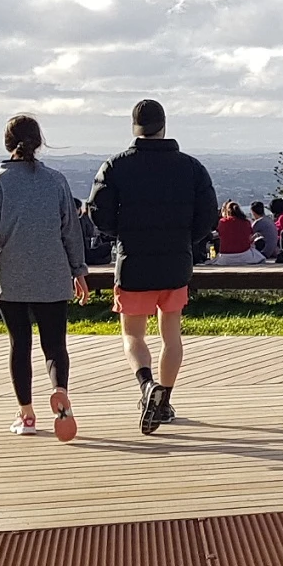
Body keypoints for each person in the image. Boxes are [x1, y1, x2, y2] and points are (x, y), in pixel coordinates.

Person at [88, 99, 219, 436]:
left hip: (133, 261)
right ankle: (165, 400)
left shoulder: (115, 166)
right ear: (164, 126)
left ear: (134, 127)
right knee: (171, 335)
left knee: (133, 334)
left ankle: (147, 386)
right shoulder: (191, 167)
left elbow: (99, 214)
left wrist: (120, 236)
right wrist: (186, 241)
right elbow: (207, 216)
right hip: (176, 263)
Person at [0, 115, 89, 442]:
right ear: (38, 142)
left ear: (8, 144)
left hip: (11, 276)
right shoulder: (56, 181)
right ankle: (60, 390)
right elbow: (71, 231)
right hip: (53, 273)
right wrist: (79, 271)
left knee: (19, 345)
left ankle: (27, 414)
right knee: (55, 344)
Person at [213, 200, 267, 265]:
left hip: (226, 256)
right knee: (260, 257)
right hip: (244, 254)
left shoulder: (222, 222)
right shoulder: (246, 222)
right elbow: (249, 238)